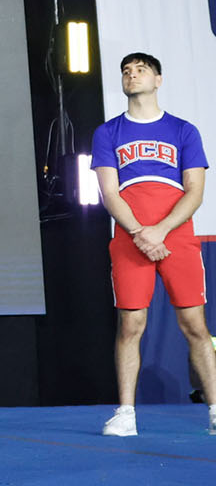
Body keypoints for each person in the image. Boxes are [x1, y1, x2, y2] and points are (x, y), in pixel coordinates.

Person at [92, 52, 215, 437]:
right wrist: (141, 233)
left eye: (141, 70)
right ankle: (126, 413)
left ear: (158, 79)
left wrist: (160, 231)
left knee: (194, 324)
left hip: (176, 234)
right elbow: (110, 193)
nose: (132, 75)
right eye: (126, 71)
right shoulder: (108, 132)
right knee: (131, 323)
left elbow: (195, 192)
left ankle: (214, 408)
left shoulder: (183, 130)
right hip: (130, 236)